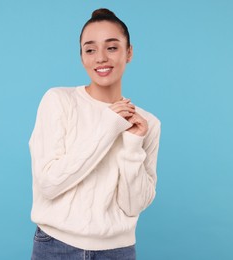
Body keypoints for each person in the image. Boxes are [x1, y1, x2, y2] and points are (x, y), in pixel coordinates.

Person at [29, 8, 161, 260]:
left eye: (112, 47)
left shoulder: (148, 124)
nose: (101, 57)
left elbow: (133, 205)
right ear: (82, 57)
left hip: (118, 251)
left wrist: (133, 146)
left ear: (129, 52)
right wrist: (108, 126)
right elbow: (49, 184)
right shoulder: (58, 100)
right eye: (90, 49)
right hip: (56, 247)